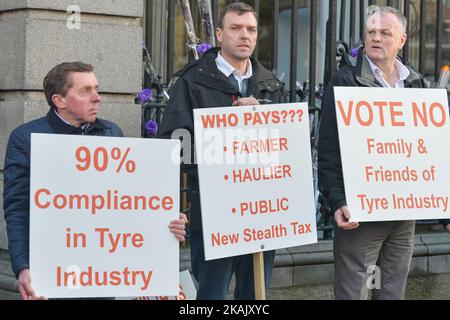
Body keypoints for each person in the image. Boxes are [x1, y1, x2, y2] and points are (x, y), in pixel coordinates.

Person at [3, 62, 188, 300]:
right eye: (85, 91)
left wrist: (167, 219)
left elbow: (130, 199)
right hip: (53, 269)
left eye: (96, 89)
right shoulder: (26, 138)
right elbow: (17, 207)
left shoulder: (112, 133)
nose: (97, 98)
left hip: (103, 270)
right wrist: (22, 267)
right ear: (59, 100)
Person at [158, 3, 285, 300]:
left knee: (254, 295)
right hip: (215, 210)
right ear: (219, 33)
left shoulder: (270, 84)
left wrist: (261, 120)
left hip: (262, 210)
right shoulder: (192, 81)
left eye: (251, 29)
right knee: (211, 294)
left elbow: (285, 146)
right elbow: (173, 144)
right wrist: (225, 133)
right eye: (236, 28)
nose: (245, 35)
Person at [318, 6, 426, 300]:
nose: (376, 38)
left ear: (401, 40)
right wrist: (337, 199)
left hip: (403, 214)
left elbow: (429, 151)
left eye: (385, 33)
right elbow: (328, 149)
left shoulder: (415, 84)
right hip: (360, 214)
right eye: (371, 32)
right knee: (355, 293)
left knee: (390, 292)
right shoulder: (345, 81)